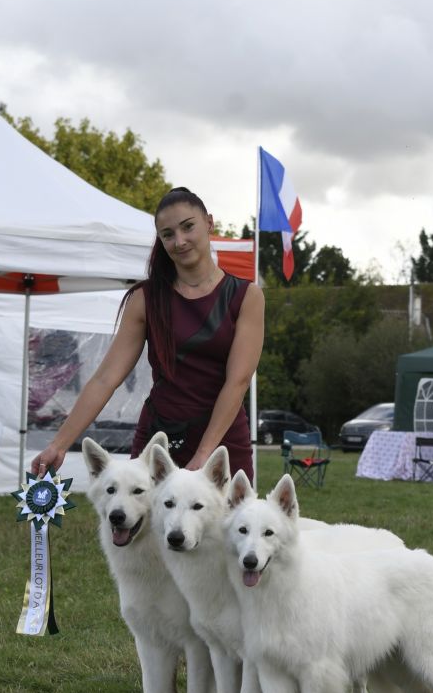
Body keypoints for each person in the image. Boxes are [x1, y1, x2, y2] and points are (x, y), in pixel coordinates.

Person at [31, 187, 264, 481]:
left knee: (229, 526)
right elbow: (106, 378)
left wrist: (204, 455)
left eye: (188, 227)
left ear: (209, 223)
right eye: (167, 234)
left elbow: (238, 381)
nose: (179, 241)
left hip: (222, 440)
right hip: (159, 440)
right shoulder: (145, 298)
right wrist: (58, 445)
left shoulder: (247, 297)